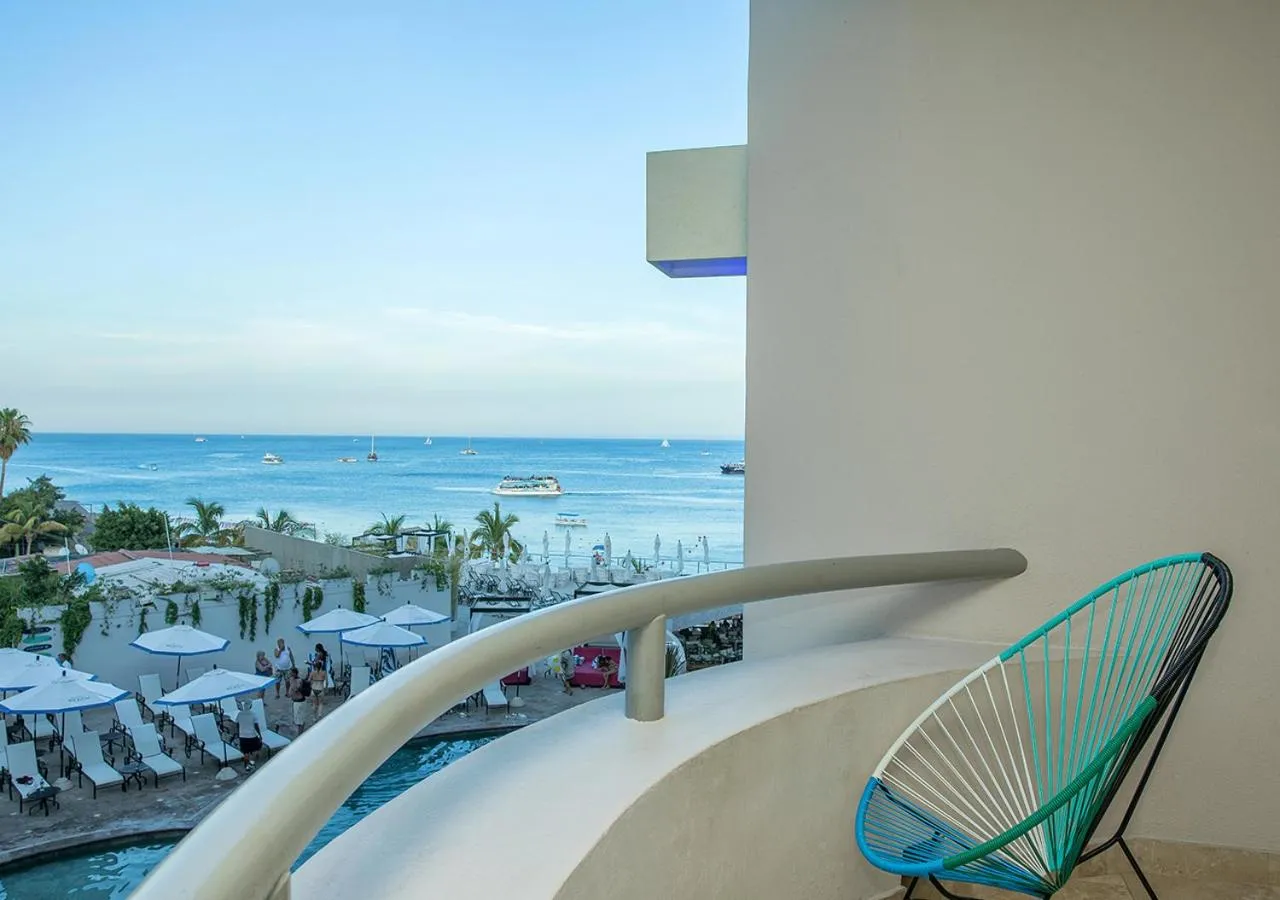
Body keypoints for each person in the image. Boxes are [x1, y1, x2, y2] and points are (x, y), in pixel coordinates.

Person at [235, 698, 262, 771]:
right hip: (252, 735)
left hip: (243, 736)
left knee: (245, 752)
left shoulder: (239, 714)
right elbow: (256, 726)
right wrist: (260, 735)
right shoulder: (253, 714)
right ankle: (251, 763)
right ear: (251, 706)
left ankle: (246, 766)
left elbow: (237, 724)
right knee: (255, 750)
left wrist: (238, 733)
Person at [287, 667, 310, 734]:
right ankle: (300, 733)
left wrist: (291, 681)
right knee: (298, 719)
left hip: (299, 702)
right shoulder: (293, 680)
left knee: (300, 720)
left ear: (294, 673)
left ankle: (300, 734)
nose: (289, 674)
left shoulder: (297, 681)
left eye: (290, 673)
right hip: (296, 702)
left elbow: (295, 689)